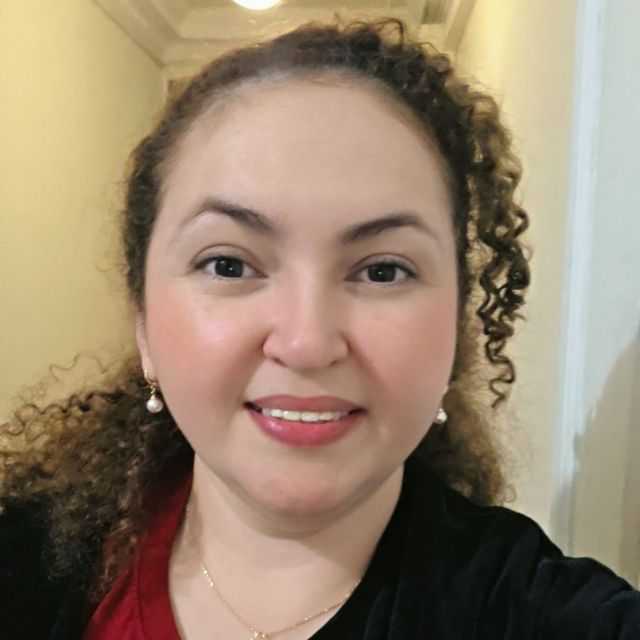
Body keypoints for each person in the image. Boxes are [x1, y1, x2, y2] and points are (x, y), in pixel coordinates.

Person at [1, 17, 638, 640]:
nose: (306, 343)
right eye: (229, 264)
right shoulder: (27, 562)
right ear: (143, 323)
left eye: (383, 271)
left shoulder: (536, 611)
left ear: (456, 325)